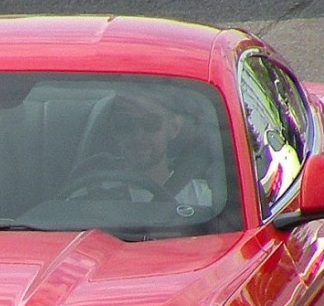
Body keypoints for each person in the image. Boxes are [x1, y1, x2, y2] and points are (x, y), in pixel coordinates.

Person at [67, 89, 218, 215]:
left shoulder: (204, 200)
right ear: (114, 130)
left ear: (174, 128)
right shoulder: (87, 198)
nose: (138, 136)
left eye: (151, 123)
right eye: (125, 124)